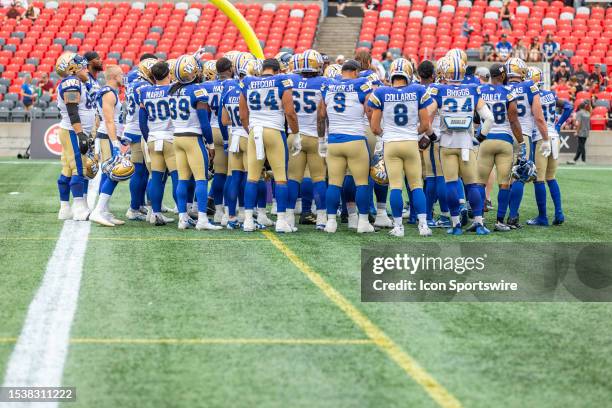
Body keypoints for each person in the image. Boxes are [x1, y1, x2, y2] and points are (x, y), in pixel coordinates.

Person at [426, 57, 495, 235]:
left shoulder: (439, 90)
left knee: (450, 184)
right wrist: (480, 138)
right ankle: (478, 223)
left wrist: (433, 136)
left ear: (446, 73)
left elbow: (426, 117)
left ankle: (456, 224)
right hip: (466, 144)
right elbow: (489, 118)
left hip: (447, 144)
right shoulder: (472, 89)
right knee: (472, 185)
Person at [368, 58, 434, 237]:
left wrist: (386, 135)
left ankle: (398, 227)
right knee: (416, 185)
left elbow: (374, 127)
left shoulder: (381, 92)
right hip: (410, 143)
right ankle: (423, 225)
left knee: (396, 186)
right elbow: (426, 124)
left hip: (391, 144)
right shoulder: (418, 90)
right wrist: (414, 133)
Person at [238, 58, 299, 233]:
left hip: (254, 130)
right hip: (274, 131)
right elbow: (290, 112)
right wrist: (295, 133)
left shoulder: (248, 81)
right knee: (280, 177)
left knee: (252, 177)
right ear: (277, 70)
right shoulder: (281, 80)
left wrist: (250, 129)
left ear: (262, 69)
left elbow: (243, 114)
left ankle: (248, 220)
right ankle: (281, 221)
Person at [317, 59, 375, 233]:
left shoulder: (328, 85)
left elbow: (321, 115)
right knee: (362, 183)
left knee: (334, 183)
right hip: (355, 139)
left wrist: (321, 140)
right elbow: (369, 111)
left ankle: (331, 222)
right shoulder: (362, 84)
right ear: (356, 72)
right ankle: (363, 222)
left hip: (334, 140)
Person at [169, 55, 221, 231]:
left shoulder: (172, 90)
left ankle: (182, 218)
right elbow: (204, 122)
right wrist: (211, 144)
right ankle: (202, 219)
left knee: (183, 179)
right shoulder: (197, 91)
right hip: (192, 138)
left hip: (177, 137)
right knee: (201, 179)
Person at [477, 63, 525, 232]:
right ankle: (499, 221)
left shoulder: (480, 91)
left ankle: (479, 219)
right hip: (504, 141)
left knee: (480, 183)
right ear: (503, 76)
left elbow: (477, 118)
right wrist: (521, 142)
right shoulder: (509, 92)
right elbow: (513, 120)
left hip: (486, 140)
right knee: (504, 183)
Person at [505, 57, 551, 229]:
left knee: (506, 178)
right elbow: (539, 117)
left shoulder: (503, 87)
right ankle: (513, 216)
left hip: (504, 135)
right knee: (521, 176)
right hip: (523, 135)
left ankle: (501, 216)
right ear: (522, 70)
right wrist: (546, 139)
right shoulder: (530, 86)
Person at [286, 50, 328, 230]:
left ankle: (288, 217)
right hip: (314, 135)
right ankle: (321, 217)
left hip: (294, 134)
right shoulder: (324, 82)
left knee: (293, 178)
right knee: (319, 178)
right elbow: (323, 114)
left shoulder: (288, 81)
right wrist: (322, 138)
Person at [526, 66, 572, 226]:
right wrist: (558, 125)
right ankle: (559, 213)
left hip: (541, 137)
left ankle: (542, 217)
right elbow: (569, 107)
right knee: (551, 177)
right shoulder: (551, 94)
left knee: (539, 179)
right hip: (554, 136)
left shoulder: (530, 95)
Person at [138, 61, 179, 226]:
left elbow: (142, 121)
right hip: (170, 137)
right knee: (178, 176)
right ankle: (182, 212)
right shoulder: (173, 89)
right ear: (168, 74)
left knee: (155, 177)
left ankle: (155, 213)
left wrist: (149, 138)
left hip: (153, 138)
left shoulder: (144, 91)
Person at [55, 52, 93, 221]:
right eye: (83, 66)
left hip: (70, 130)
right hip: (73, 131)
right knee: (79, 169)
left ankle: (64, 208)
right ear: (73, 68)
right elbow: (72, 110)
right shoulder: (71, 83)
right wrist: (80, 133)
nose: (86, 69)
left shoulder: (77, 82)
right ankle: (78, 208)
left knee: (68, 169)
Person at [89, 65, 127, 227]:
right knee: (115, 173)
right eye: (121, 74)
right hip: (108, 136)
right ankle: (98, 211)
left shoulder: (111, 92)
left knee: (108, 173)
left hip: (107, 135)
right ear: (113, 77)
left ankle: (104, 210)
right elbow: (109, 120)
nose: (123, 77)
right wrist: (115, 143)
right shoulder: (109, 93)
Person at [123, 57, 157, 222]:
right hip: (138, 130)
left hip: (134, 128)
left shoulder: (137, 83)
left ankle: (138, 205)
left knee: (143, 171)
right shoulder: (144, 86)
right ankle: (134, 207)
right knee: (140, 171)